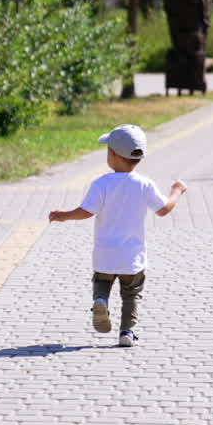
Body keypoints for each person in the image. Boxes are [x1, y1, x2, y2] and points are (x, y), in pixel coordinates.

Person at [47, 124, 187, 347]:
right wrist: (176, 191)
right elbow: (163, 209)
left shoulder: (101, 183)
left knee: (101, 282)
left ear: (112, 154)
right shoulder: (145, 184)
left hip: (105, 254)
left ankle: (101, 300)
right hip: (132, 256)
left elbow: (86, 211)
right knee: (131, 294)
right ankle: (127, 333)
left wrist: (64, 215)